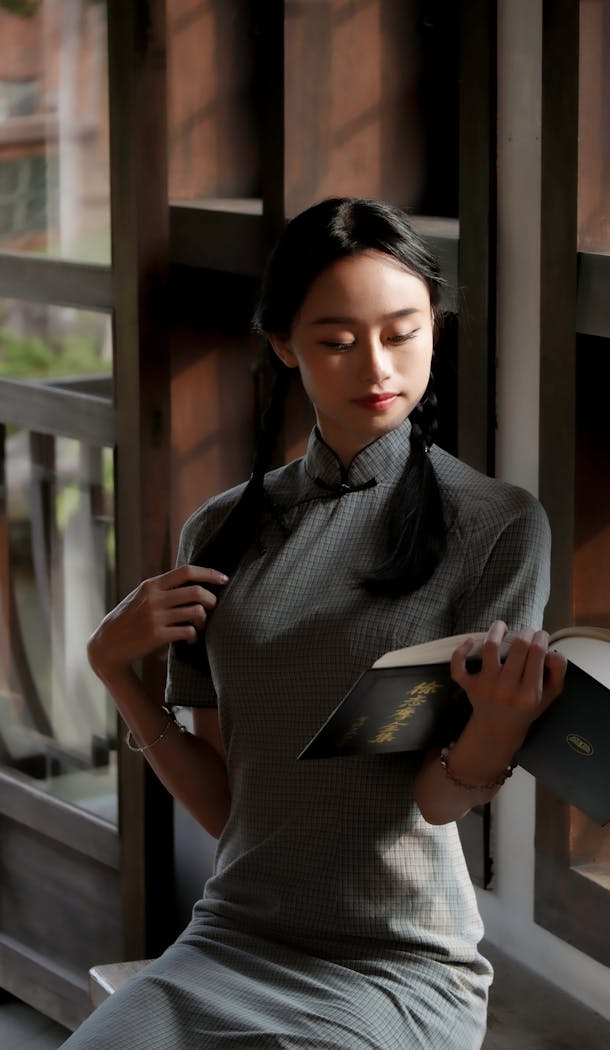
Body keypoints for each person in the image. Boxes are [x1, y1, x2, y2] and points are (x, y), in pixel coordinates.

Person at [63, 197, 566, 1049]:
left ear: (434, 331)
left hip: (400, 962)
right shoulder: (220, 531)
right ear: (284, 346)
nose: (377, 365)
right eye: (336, 341)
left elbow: (441, 803)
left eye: (403, 332)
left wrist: (502, 727)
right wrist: (116, 673)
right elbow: (234, 810)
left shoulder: (498, 525)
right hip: (232, 938)